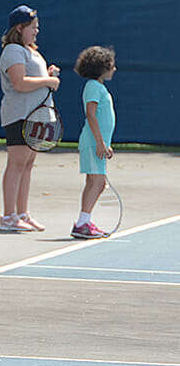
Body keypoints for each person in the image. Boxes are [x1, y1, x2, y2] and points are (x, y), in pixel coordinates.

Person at [0, 5, 61, 232]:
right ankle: (7, 217)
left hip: (37, 116)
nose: (37, 31)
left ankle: (22, 214)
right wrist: (47, 81)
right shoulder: (13, 50)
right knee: (16, 164)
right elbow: (20, 83)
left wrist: (47, 74)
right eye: (32, 27)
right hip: (19, 115)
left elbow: (32, 78)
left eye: (37, 27)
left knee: (27, 165)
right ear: (19, 28)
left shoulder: (31, 51)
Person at [71, 46, 117, 239]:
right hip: (92, 143)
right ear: (101, 68)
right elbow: (90, 115)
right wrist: (99, 143)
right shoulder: (93, 87)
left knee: (93, 183)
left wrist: (105, 143)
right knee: (97, 183)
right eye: (111, 66)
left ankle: (84, 222)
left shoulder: (99, 87)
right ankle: (83, 223)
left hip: (97, 143)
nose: (114, 69)